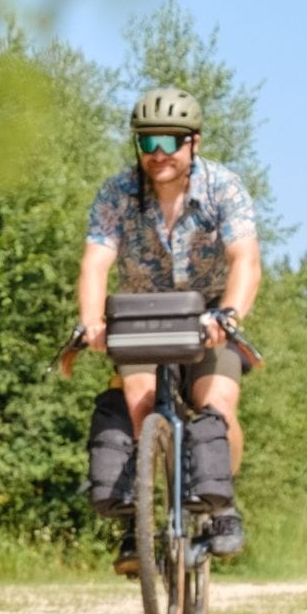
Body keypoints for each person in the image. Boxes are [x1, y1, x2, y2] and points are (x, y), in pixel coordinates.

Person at [75, 85, 261, 568]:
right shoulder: (117, 193)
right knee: (137, 404)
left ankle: (222, 507)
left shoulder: (224, 187)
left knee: (215, 404)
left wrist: (230, 315)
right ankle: (141, 525)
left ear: (193, 142)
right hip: (141, 318)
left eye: (168, 142)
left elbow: (245, 259)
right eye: (146, 143)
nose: (157, 154)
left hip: (208, 317)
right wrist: (92, 323)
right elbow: (95, 263)